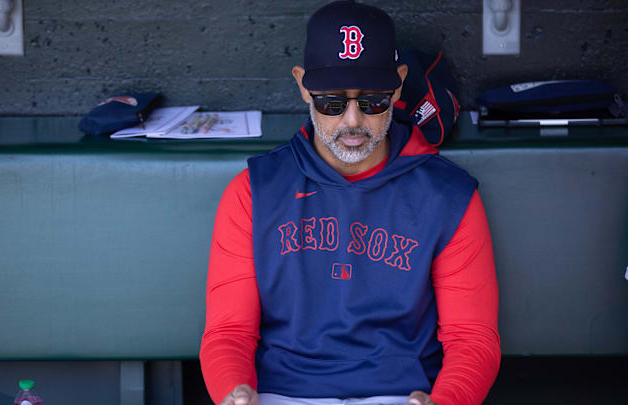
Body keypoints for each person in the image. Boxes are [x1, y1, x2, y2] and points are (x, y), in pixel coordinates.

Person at [200, 1, 501, 404]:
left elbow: (472, 339)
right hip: (281, 394)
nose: (353, 121)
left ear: (397, 85)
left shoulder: (448, 196)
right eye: (332, 102)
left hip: (402, 396)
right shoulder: (254, 191)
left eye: (373, 101)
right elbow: (228, 332)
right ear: (303, 85)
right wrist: (234, 394)